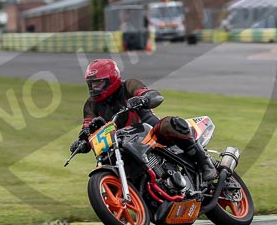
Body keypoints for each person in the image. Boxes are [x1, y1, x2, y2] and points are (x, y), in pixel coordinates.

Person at [69, 59, 218, 181]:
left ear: (111, 79)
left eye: (98, 83)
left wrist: (143, 98)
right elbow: (87, 127)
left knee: (169, 124)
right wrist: (82, 141)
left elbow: (152, 95)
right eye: (92, 84)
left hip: (150, 131)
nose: (94, 88)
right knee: (108, 159)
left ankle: (205, 161)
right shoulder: (91, 104)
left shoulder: (129, 85)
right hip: (121, 143)